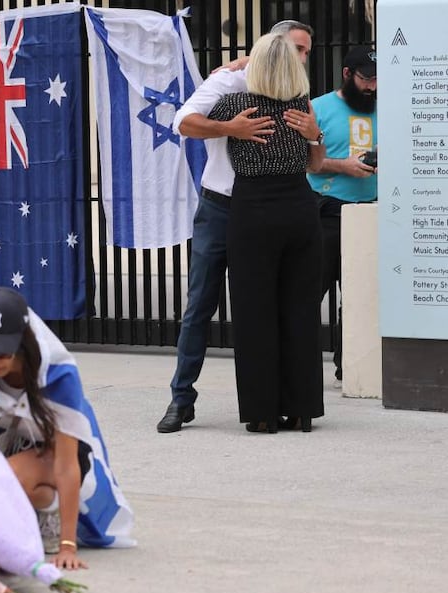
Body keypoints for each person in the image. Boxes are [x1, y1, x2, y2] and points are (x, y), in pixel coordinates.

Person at [157, 19, 315, 433]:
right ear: (274, 46)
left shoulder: (294, 91)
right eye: (297, 49)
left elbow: (309, 154)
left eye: (307, 51)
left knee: (271, 308)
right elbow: (183, 123)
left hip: (268, 210)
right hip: (221, 206)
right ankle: (181, 398)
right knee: (200, 305)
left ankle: (282, 399)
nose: (303, 58)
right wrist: (231, 129)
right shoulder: (228, 84)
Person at [0, 287, 134, 569]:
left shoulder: (60, 372)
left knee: (5, 479)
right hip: (2, 439)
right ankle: (40, 509)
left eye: (2, 352)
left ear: (22, 341)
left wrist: (68, 547)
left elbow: (67, 464)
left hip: (55, 450)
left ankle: (54, 520)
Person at [207, 33, 327, 433]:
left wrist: (227, 125)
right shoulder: (302, 106)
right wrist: (313, 135)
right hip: (298, 204)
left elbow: (186, 123)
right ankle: (302, 408)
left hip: (253, 209)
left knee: (254, 309)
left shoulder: (235, 104)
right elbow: (316, 165)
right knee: (300, 306)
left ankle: (261, 412)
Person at [307, 46, 378, 387]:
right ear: (348, 74)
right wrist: (344, 166)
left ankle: (349, 367)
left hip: (373, 210)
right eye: (366, 78)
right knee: (311, 290)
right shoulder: (318, 108)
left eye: (377, 79)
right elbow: (306, 161)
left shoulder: (386, 108)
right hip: (327, 210)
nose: (372, 87)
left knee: (360, 294)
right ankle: (301, 365)